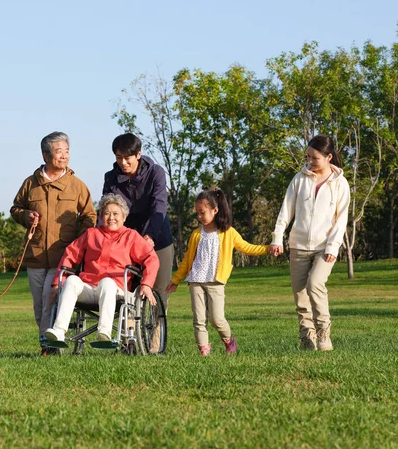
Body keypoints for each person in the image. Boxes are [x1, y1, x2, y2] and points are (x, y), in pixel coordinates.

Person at [10, 131, 97, 356]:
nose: (64, 156)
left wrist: (79, 243)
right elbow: (15, 209)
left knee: (51, 300)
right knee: (39, 305)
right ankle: (45, 341)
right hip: (36, 255)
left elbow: (89, 216)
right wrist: (26, 215)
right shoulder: (31, 183)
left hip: (64, 256)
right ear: (46, 155)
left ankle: (50, 346)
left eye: (67, 151)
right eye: (59, 152)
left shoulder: (77, 185)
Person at [269, 135, 350, 352]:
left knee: (315, 284)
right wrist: (277, 237)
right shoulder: (299, 178)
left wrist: (333, 246)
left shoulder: (340, 183)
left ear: (329, 157)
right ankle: (307, 338)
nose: (309, 161)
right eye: (307, 156)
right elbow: (286, 211)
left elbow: (341, 219)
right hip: (298, 245)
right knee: (300, 295)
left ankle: (324, 333)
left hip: (325, 247)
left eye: (314, 158)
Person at [166, 189, 269, 356]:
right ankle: (204, 351)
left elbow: (247, 248)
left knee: (216, 319)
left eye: (202, 212)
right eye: (197, 213)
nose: (199, 216)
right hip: (196, 281)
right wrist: (176, 279)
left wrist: (268, 249)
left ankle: (229, 339)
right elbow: (187, 260)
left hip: (216, 282)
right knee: (199, 320)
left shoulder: (228, 233)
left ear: (215, 210)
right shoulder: (196, 235)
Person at [45, 193, 159, 344]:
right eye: (106, 213)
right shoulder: (91, 234)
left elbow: (151, 258)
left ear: (124, 217)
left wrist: (146, 284)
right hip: (89, 288)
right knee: (72, 280)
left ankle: (104, 333)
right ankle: (59, 332)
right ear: (100, 216)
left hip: (116, 289)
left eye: (116, 213)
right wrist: (56, 284)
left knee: (107, 282)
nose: (111, 217)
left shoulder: (131, 236)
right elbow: (69, 255)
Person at [102, 133, 174, 351]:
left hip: (158, 239)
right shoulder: (111, 177)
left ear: (138, 155)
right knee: (128, 292)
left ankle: (154, 344)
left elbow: (159, 208)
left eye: (127, 158)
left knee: (159, 291)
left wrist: (150, 236)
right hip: (125, 243)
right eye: (118, 158)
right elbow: (108, 209)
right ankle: (128, 341)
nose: (123, 163)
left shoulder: (156, 173)